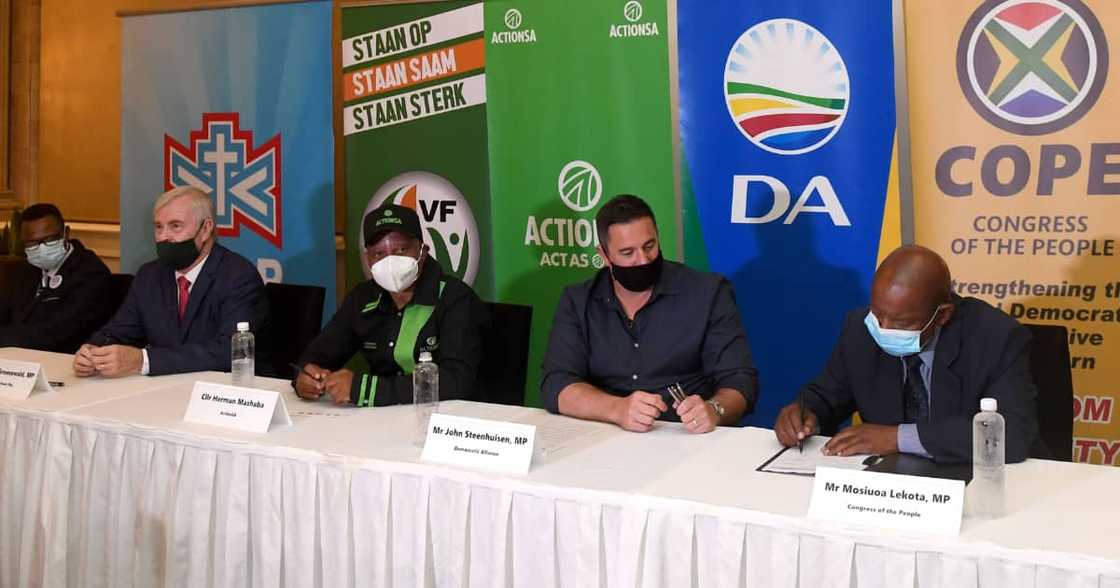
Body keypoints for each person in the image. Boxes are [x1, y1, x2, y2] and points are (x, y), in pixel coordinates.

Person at [774, 245, 1040, 463]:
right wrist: (806, 412)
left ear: (942, 315)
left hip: (975, 482)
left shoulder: (995, 337)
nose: (883, 329)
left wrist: (897, 437)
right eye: (877, 314)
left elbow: (1012, 435)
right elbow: (829, 394)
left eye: (901, 323)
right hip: (891, 484)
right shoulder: (860, 327)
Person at [541, 194, 758, 433]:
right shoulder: (578, 301)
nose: (642, 260)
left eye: (649, 246)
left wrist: (714, 410)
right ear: (604, 256)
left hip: (686, 439)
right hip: (605, 439)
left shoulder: (708, 293)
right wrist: (617, 409)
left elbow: (741, 382)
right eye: (627, 253)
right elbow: (556, 384)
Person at [294, 203, 487, 407]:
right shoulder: (362, 298)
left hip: (449, 424)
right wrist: (305, 378)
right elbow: (315, 357)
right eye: (379, 254)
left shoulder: (455, 298)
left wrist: (364, 390)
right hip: (384, 422)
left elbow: (456, 382)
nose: (390, 261)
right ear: (368, 259)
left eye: (401, 250)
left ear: (423, 251)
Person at [74, 186, 268, 377]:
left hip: (219, 394)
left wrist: (144, 360)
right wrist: (94, 350)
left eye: (175, 226)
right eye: (159, 227)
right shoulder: (149, 275)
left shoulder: (238, 276)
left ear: (206, 229)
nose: (164, 236)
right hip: (162, 391)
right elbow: (119, 331)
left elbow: (229, 352)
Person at [0, 203, 114, 352]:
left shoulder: (91, 274)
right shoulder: (27, 269)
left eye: (49, 240)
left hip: (66, 361)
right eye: (32, 243)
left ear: (65, 234)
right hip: (19, 358)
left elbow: (55, 332)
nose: (41, 249)